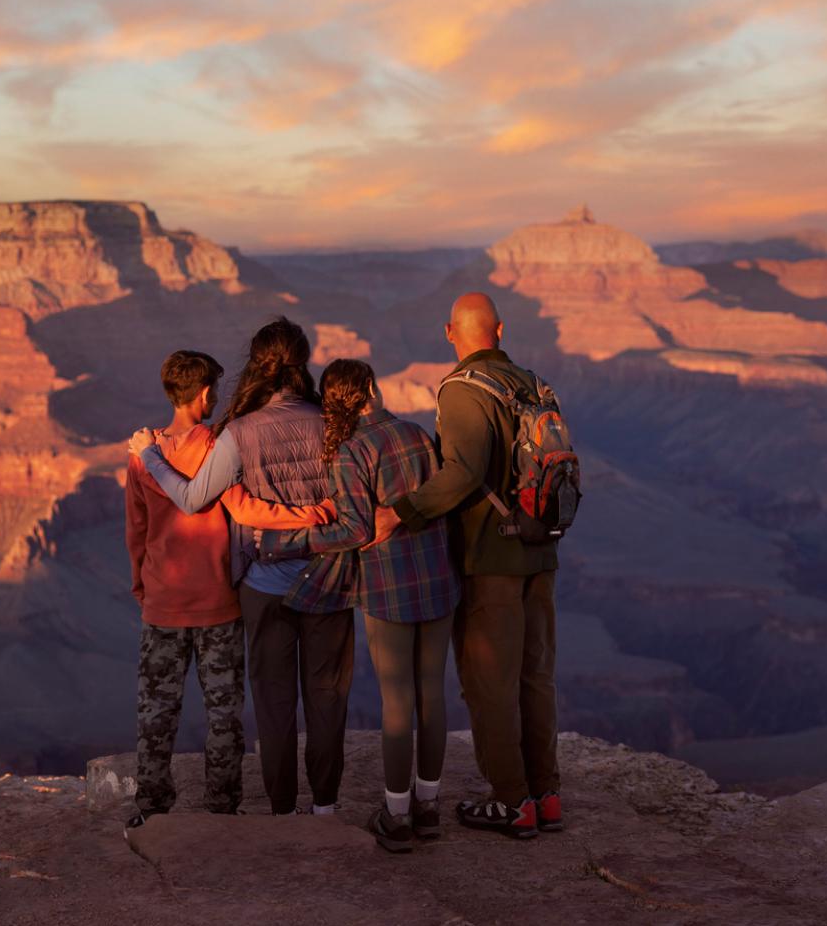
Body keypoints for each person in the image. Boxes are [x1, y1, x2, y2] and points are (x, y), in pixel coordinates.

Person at [129, 318, 353, 817]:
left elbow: (189, 502)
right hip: (328, 580)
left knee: (272, 700)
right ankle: (324, 805)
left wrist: (148, 455)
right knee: (325, 695)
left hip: (262, 585)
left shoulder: (235, 434)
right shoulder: (330, 425)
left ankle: (281, 808)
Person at [257, 359, 459, 853]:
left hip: (388, 588)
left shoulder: (351, 452)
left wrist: (283, 543)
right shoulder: (416, 434)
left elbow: (354, 530)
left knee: (398, 701)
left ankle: (397, 816)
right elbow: (441, 502)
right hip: (437, 579)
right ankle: (429, 808)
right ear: (370, 388)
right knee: (432, 694)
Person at [383, 292, 562, 840]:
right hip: (540, 551)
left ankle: (511, 802)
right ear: (500, 330)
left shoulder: (463, 389)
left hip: (491, 560)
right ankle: (546, 795)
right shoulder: (532, 384)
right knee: (535, 678)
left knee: (490, 685)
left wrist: (401, 513)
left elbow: (462, 473)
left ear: (449, 332)